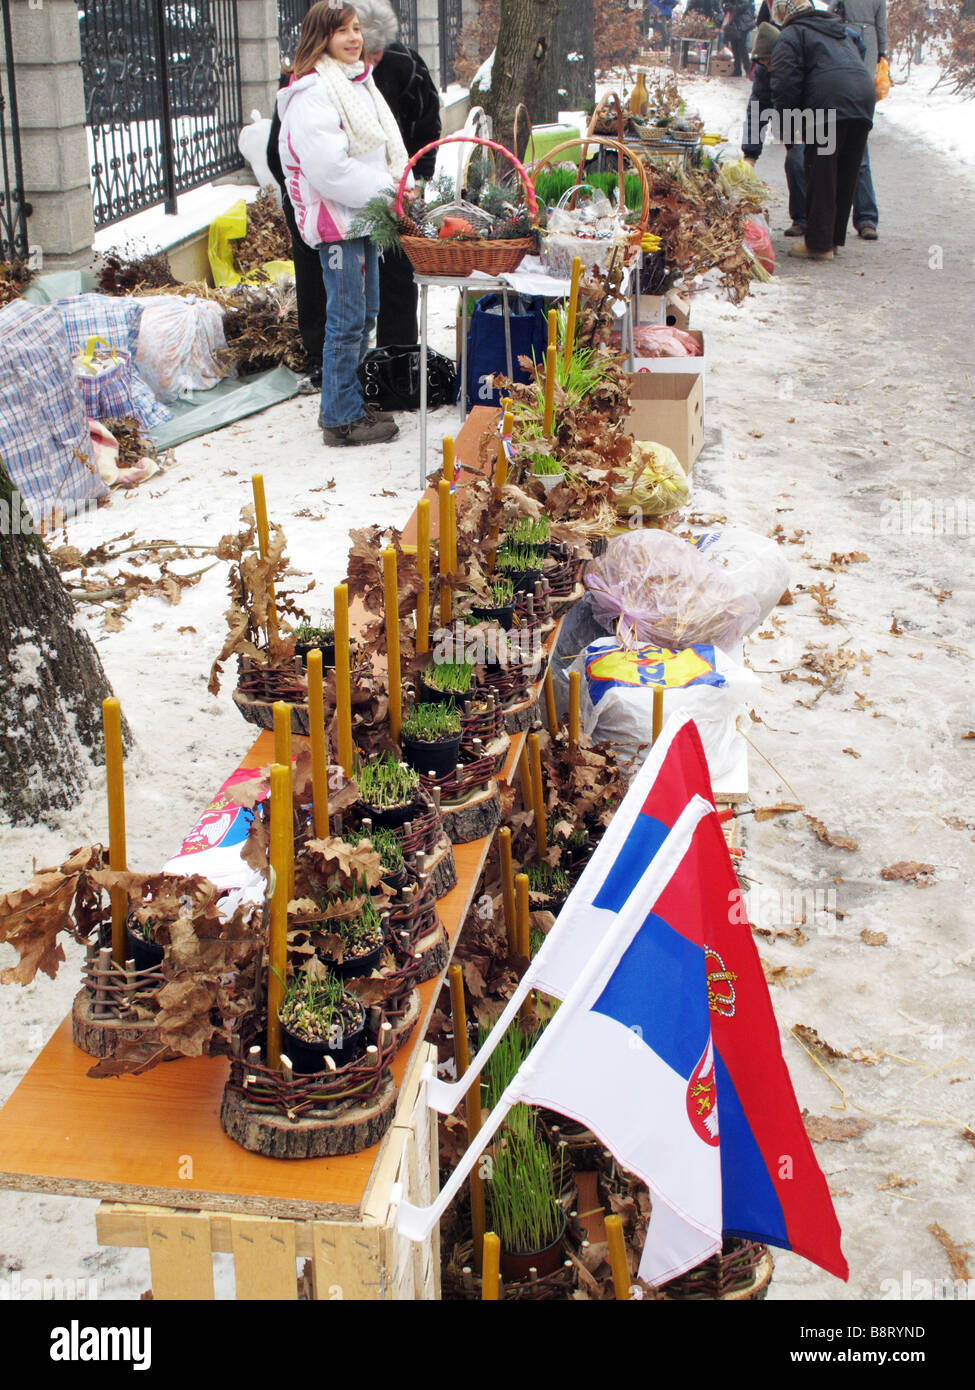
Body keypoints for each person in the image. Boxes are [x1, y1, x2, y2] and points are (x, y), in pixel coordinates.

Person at [278, 3, 410, 446]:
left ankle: (349, 398)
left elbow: (369, 153)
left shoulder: (354, 83)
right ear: (321, 38)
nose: (354, 38)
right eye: (342, 32)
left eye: (356, 29)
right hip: (337, 221)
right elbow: (330, 171)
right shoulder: (314, 93)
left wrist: (391, 188)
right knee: (347, 319)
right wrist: (387, 192)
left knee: (366, 311)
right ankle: (339, 416)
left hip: (362, 217)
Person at [356, 0, 441, 346]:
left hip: (399, 185)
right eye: (365, 52)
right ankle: (337, 360)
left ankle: (399, 351)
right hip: (348, 187)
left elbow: (428, 121)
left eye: (377, 53)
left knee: (398, 268)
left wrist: (419, 177)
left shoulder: (404, 65)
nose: (371, 61)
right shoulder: (326, 74)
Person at [770, 0, 875, 261]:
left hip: (828, 103)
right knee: (845, 171)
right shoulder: (838, 31)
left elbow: (785, 82)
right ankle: (832, 240)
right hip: (863, 98)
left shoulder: (792, 34)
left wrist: (787, 127)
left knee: (821, 171)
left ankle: (818, 245)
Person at [741, 22, 807, 234]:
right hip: (790, 120)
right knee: (795, 160)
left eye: (769, 61)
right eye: (763, 63)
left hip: (815, 116)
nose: (767, 66)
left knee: (800, 161)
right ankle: (802, 219)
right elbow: (758, 107)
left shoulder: (798, 61)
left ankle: (818, 222)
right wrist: (750, 155)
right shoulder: (763, 71)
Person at [830, 0, 884, 238]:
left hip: (845, 49)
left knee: (849, 150)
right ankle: (866, 218)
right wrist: (882, 52)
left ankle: (826, 219)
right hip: (868, 47)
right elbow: (881, 26)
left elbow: (830, 12)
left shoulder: (841, 33)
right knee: (858, 148)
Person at [724, 0, 757, 76]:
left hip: (741, 24)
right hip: (733, 23)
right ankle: (737, 70)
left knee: (742, 48)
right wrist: (727, 6)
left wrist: (733, 7)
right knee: (734, 47)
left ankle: (748, 70)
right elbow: (724, 5)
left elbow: (744, 5)